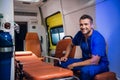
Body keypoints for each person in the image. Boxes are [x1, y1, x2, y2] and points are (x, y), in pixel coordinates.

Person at [60, 14, 109, 80]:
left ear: (91, 25)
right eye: (81, 24)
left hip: (99, 64)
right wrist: (65, 56)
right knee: (62, 62)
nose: (83, 27)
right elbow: (70, 45)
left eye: (86, 24)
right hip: (85, 60)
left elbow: (94, 61)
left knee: (85, 70)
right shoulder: (80, 34)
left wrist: (74, 65)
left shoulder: (97, 38)